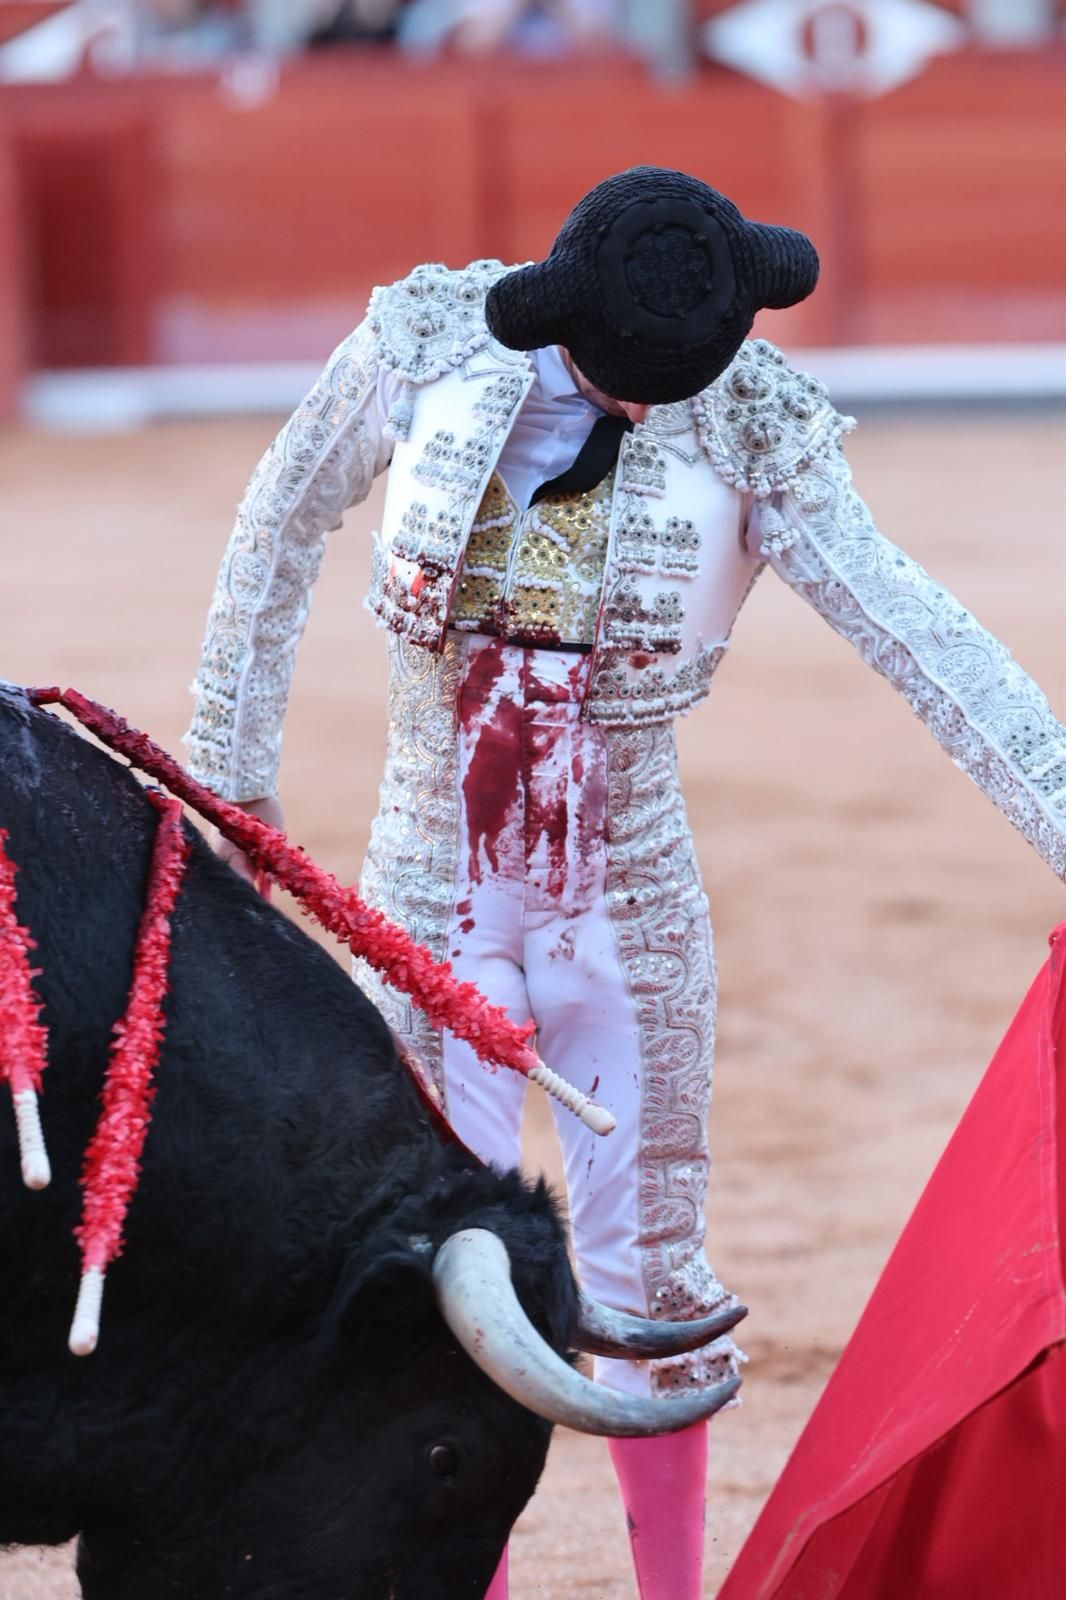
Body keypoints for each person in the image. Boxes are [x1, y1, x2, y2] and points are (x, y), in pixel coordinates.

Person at [184, 166, 1066, 1600]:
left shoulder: (750, 421)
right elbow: (278, 522)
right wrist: (230, 763)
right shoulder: (423, 348)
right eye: (632, 382)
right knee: (435, 1277)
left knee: (645, 1271)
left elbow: (918, 630)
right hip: (421, 900)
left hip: (625, 907)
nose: (658, 408)